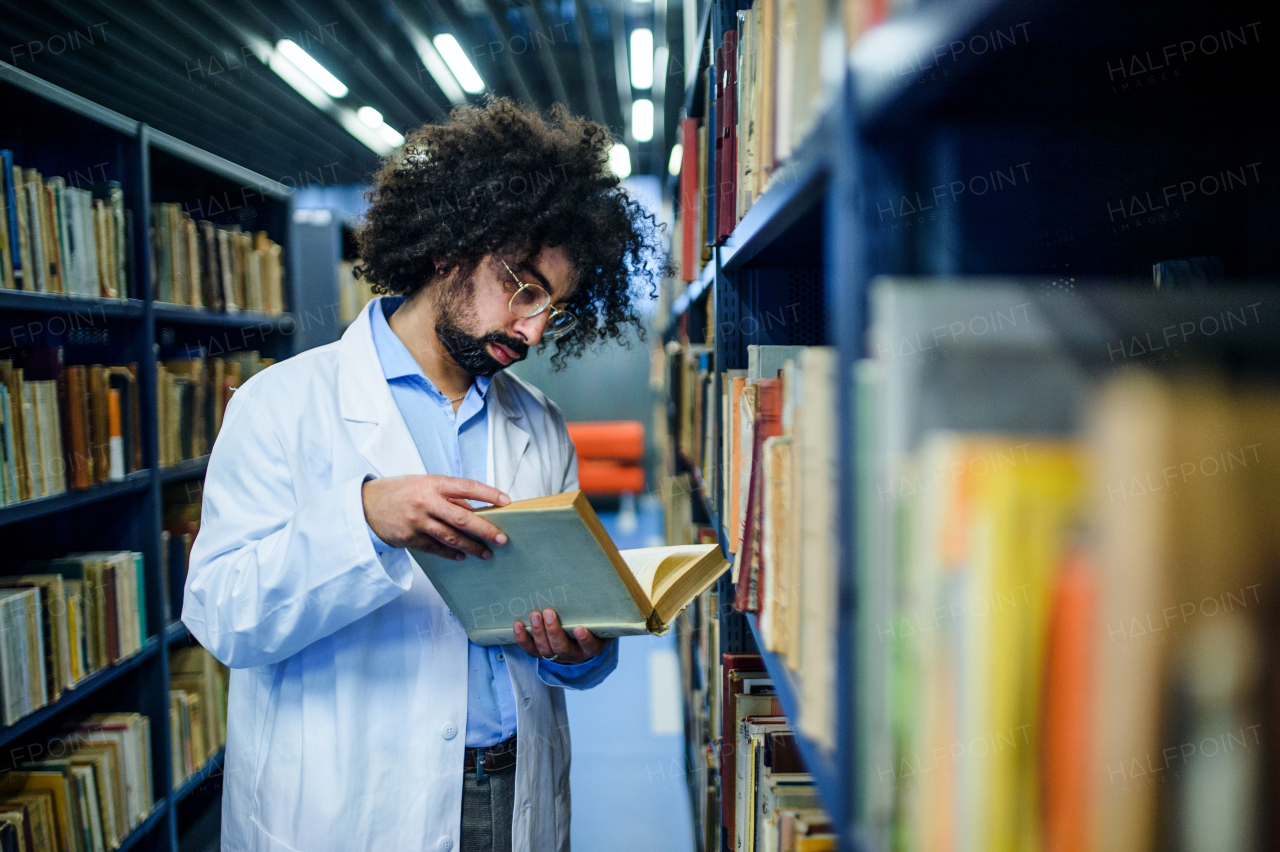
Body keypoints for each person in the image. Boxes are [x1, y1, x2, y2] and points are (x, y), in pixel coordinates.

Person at [182, 98, 665, 852]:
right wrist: (365, 520)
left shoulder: (538, 424)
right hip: (354, 808)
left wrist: (583, 652)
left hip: (515, 793)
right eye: (524, 288)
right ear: (449, 250)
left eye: (555, 309)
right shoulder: (280, 406)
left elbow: (576, 633)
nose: (533, 331)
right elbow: (223, 618)